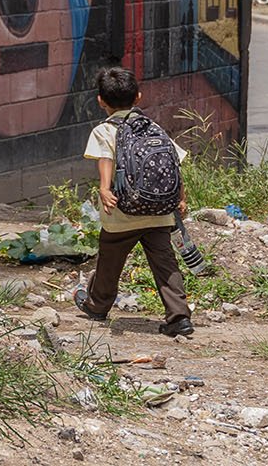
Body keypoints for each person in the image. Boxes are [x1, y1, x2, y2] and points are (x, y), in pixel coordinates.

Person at [73, 66, 194, 337]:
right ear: (138, 97)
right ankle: (179, 318)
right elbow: (173, 164)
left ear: (100, 101)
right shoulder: (153, 127)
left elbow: (105, 158)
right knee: (165, 264)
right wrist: (180, 198)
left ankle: (97, 305)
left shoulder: (104, 130)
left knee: (110, 259)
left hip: (122, 213)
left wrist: (105, 188)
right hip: (159, 212)